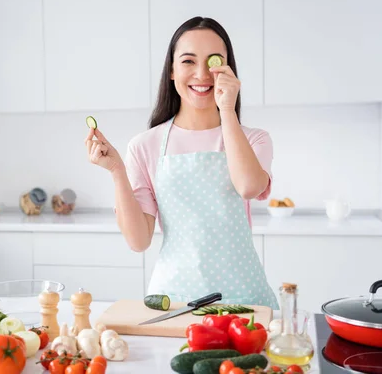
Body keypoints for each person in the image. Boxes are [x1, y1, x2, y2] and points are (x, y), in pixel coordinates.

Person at [85, 16, 278, 309]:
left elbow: (249, 187)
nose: (202, 74)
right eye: (188, 61)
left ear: (228, 71)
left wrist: (226, 108)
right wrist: (117, 172)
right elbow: (138, 241)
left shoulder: (254, 140)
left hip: (244, 299)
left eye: (214, 62)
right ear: (172, 71)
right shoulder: (145, 145)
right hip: (174, 303)